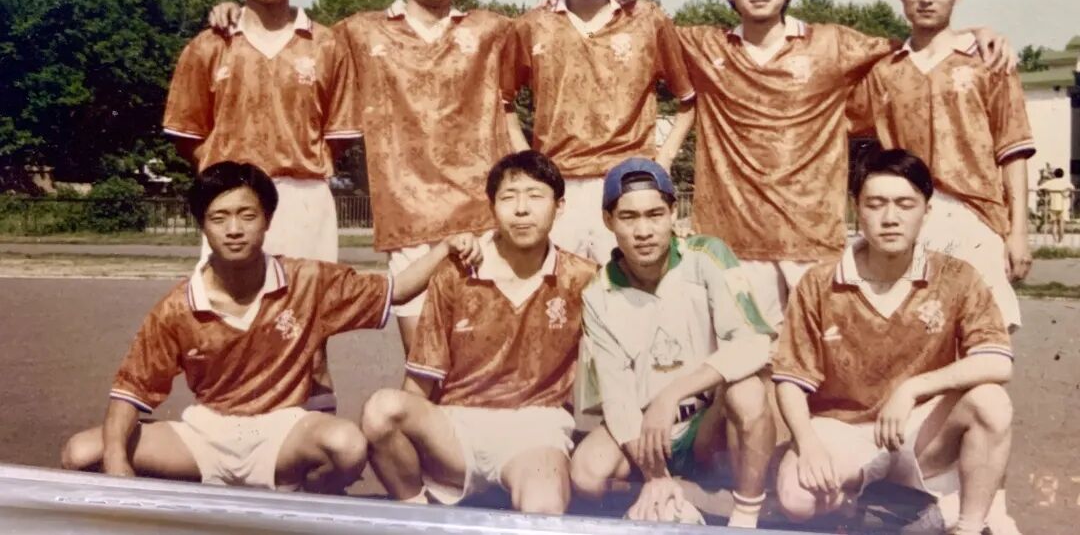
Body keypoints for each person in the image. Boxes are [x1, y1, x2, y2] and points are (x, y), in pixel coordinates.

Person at [208, 0, 515, 354]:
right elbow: (291, 36)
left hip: (482, 216)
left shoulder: (492, 30)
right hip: (408, 220)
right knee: (426, 361)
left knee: (485, 358)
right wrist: (238, 10)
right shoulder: (358, 32)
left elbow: (551, 31)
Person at [672, 0, 1012, 329]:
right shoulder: (705, 47)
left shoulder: (831, 44)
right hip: (733, 244)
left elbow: (915, 46)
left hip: (813, 241)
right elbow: (649, 34)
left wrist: (973, 34)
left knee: (822, 360)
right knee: (744, 360)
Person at [59, 161, 441, 492]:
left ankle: (303, 498)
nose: (234, 229)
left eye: (247, 215)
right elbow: (129, 393)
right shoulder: (177, 307)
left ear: (268, 220)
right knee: (82, 453)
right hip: (206, 434)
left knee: (347, 446)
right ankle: (194, 500)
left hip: (282, 430)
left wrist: (448, 248)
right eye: (219, 218)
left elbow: (398, 289)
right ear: (202, 226)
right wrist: (118, 465)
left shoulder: (308, 280)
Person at [166, 0, 358, 411]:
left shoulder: (327, 44)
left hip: (303, 197)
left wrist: (297, 165)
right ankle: (229, 423)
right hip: (233, 201)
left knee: (308, 322)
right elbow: (188, 133)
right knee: (229, 317)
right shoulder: (210, 45)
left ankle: (316, 432)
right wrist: (224, 179)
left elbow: (337, 135)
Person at [772, 147, 1014, 535]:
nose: (890, 218)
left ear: (926, 211)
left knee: (992, 402)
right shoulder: (819, 282)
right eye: (876, 204)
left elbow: (997, 361)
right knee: (797, 500)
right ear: (856, 209)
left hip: (917, 431)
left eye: (905, 204)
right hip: (842, 429)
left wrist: (912, 388)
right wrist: (808, 444)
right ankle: (876, 510)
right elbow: (789, 379)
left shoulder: (957, 276)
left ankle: (967, 525)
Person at [360, 151, 598, 514]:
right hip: (457, 429)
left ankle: (529, 485)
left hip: (535, 428)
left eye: (535, 196)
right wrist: (404, 442)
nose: (521, 209)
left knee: (543, 509)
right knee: (381, 410)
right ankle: (418, 513)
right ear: (492, 207)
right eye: (508, 197)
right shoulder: (455, 274)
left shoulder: (583, 278)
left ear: (559, 207)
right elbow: (419, 383)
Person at [570, 158, 776, 527]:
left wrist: (672, 394)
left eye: (655, 215)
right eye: (628, 217)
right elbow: (617, 399)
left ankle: (746, 515)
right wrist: (655, 475)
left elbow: (756, 342)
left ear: (672, 213)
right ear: (608, 220)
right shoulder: (597, 293)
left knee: (748, 393)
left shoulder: (707, 255)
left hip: (708, 419)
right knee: (587, 472)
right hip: (651, 428)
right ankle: (677, 494)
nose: (643, 231)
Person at [849, 0, 1035, 330]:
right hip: (907, 215)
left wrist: (1018, 232)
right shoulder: (884, 72)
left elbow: (1013, 151)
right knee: (912, 336)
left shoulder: (989, 61)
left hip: (976, 216)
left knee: (984, 337)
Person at [502, 0, 696, 263]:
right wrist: (527, 160)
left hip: (628, 183)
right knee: (561, 290)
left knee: (630, 290)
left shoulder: (648, 20)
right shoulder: (531, 25)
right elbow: (503, 102)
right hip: (558, 185)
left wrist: (665, 158)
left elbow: (688, 98)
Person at [1039, 167, 1073, 244]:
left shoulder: (1051, 182)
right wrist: (1066, 191)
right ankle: (1060, 241)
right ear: (1063, 174)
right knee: (1061, 223)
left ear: (1054, 174)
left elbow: (1040, 187)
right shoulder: (1065, 182)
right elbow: (1072, 188)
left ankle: (1055, 241)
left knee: (1054, 223)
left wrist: (1048, 191)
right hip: (1063, 205)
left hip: (1053, 205)